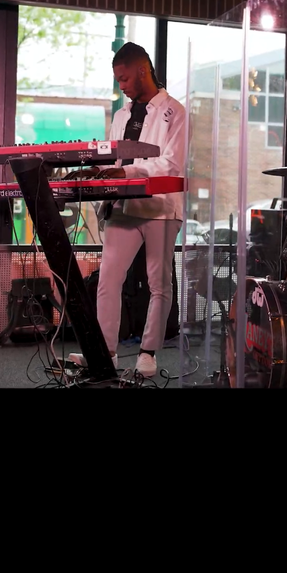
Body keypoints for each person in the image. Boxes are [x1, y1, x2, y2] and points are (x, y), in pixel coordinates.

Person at [69, 44, 186, 378]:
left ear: (142, 71)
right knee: (108, 279)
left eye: (124, 78)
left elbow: (171, 163)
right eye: (117, 79)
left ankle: (148, 353)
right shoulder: (121, 116)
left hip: (161, 207)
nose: (121, 85)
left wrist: (126, 171)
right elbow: (115, 161)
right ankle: (104, 352)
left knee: (159, 283)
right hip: (124, 206)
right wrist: (98, 170)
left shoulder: (175, 112)